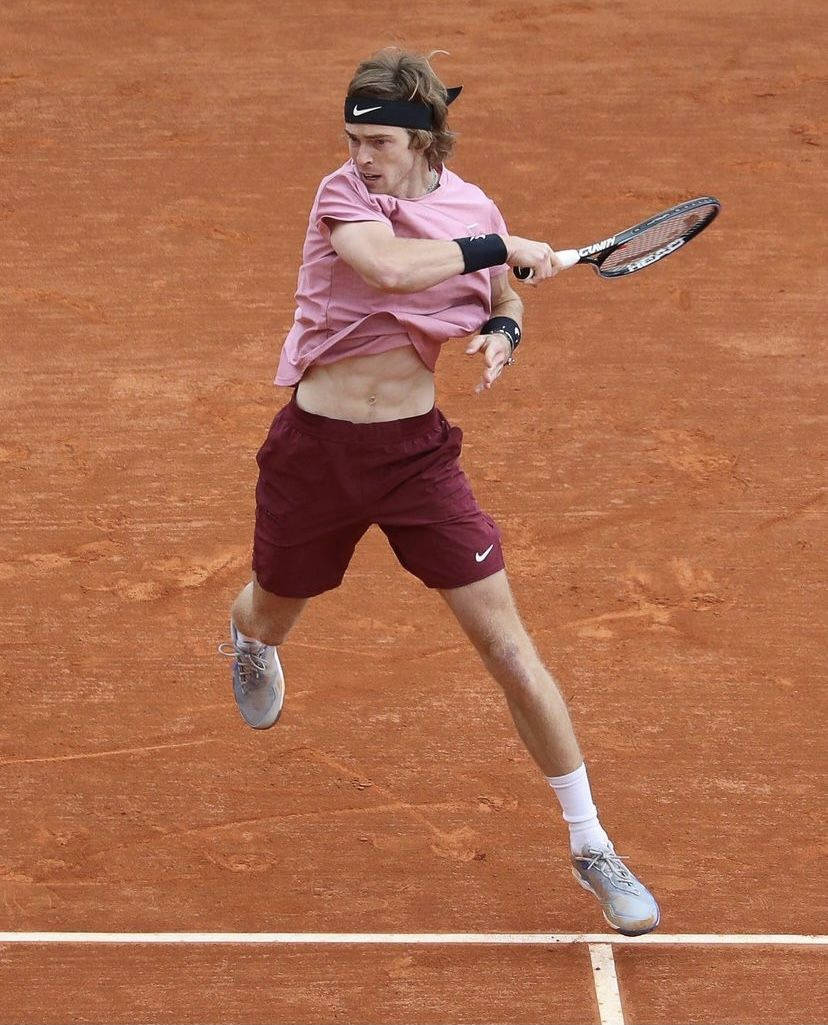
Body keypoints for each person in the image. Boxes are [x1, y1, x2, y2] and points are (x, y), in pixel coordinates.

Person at [219, 48, 659, 936]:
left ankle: (591, 843)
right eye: (351, 138)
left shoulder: (472, 205)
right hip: (317, 449)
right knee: (274, 606)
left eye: (377, 140)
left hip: (418, 456)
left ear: (424, 140)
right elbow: (388, 269)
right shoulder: (342, 197)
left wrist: (503, 325)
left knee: (506, 645)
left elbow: (505, 292)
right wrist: (500, 250)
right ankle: (248, 640)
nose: (360, 155)